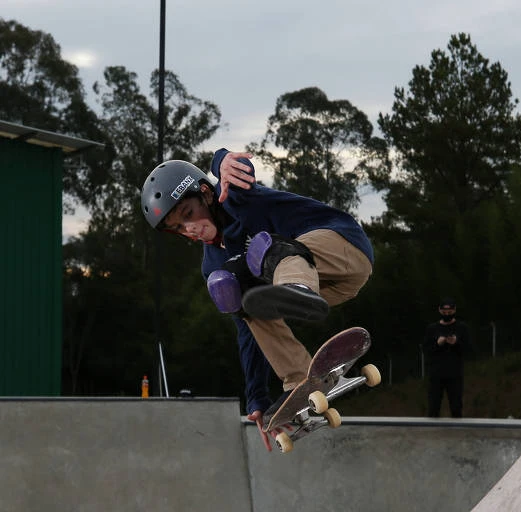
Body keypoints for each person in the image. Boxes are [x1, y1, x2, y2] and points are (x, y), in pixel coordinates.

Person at [140, 149, 374, 451]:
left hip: (343, 249)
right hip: (329, 286)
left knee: (264, 251)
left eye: (188, 215)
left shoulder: (237, 200)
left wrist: (220, 160)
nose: (191, 229)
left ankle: (296, 286)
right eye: (180, 228)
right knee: (241, 296)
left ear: (207, 194)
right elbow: (246, 330)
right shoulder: (213, 263)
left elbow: (240, 173)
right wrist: (257, 398)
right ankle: (299, 379)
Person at [423, 297, 472, 418]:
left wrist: (456, 343)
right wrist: (438, 344)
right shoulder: (432, 329)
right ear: (439, 311)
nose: (447, 314)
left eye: (449, 312)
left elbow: (468, 350)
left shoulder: (461, 328)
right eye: (445, 312)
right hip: (436, 374)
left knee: (456, 407)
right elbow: (426, 350)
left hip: (455, 373)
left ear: (454, 310)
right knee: (433, 407)